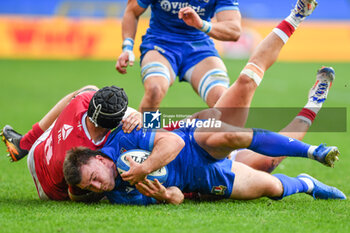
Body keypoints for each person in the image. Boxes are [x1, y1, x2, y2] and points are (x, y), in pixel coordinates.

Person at [63, 0, 346, 205]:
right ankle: (313, 126)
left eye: (94, 179)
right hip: (207, 176)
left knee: (240, 95)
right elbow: (173, 198)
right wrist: (165, 195)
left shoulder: (123, 137)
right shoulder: (121, 196)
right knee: (271, 178)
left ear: (99, 158)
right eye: (93, 186)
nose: (97, 186)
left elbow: (234, 32)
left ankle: (296, 16)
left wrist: (202, 24)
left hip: (198, 127)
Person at [1, 85, 142, 202]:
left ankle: (25, 142)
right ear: (112, 124)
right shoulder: (84, 155)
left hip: (40, 145)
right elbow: (76, 196)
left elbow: (81, 93)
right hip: (49, 188)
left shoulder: (84, 100)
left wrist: (140, 116)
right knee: (112, 173)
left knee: (89, 88)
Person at [116, 0, 242, 111]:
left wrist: (201, 24)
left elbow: (234, 30)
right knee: (155, 90)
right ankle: (148, 133)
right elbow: (132, 11)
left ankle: (220, 137)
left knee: (222, 101)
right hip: (160, 44)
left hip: (199, 46)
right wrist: (127, 47)